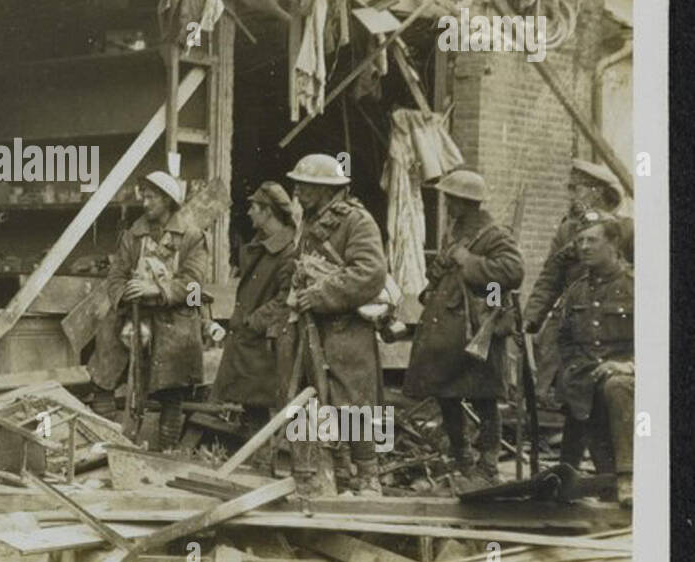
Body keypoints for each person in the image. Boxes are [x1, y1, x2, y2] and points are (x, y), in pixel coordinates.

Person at [404, 169, 525, 490]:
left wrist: (468, 260)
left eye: (452, 200)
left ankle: (488, 466)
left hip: (476, 333)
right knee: (446, 393)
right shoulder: (456, 230)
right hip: (449, 330)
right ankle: (462, 460)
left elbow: (511, 272)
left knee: (484, 399)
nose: (447, 205)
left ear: (467, 203)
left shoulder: (494, 235)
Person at [282, 153, 388, 496]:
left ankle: (369, 476)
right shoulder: (310, 223)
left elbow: (370, 272)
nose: (298, 192)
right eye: (298, 185)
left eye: (305, 186)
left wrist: (322, 294)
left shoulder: (357, 221)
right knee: (316, 399)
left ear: (327, 189)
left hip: (347, 329)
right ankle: (333, 473)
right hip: (314, 327)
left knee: (356, 403)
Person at [524, 159, 633, 473]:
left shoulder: (624, 229)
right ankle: (569, 470)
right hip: (574, 321)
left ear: (596, 191)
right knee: (567, 388)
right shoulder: (567, 230)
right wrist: (530, 319)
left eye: (576, 188)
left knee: (603, 393)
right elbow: (550, 278)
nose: (570, 194)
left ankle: (609, 471)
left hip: (616, 323)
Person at [87, 171, 208, 451]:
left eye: (151, 197)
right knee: (103, 376)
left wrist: (156, 290)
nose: (145, 203)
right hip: (133, 317)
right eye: (145, 196)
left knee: (171, 392)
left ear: (167, 200)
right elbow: (116, 275)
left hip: (173, 319)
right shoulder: (134, 235)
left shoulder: (191, 237)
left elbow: (193, 285)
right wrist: (125, 295)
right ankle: (107, 446)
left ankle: (166, 453)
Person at [213, 182, 297, 467]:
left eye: (254, 207)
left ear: (268, 212)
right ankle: (257, 464)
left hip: (266, 342)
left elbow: (286, 299)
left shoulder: (288, 252)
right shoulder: (261, 245)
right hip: (250, 340)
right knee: (252, 407)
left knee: (264, 407)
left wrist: (253, 322)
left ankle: (264, 464)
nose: (248, 212)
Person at [557, 215, 634, 506]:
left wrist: (630, 365)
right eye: (580, 241)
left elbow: (659, 339)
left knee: (615, 386)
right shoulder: (576, 290)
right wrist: (573, 366)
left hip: (627, 374)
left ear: (613, 243)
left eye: (592, 240)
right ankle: (601, 481)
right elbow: (565, 338)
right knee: (580, 388)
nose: (584, 247)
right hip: (588, 372)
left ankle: (628, 477)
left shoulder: (636, 285)